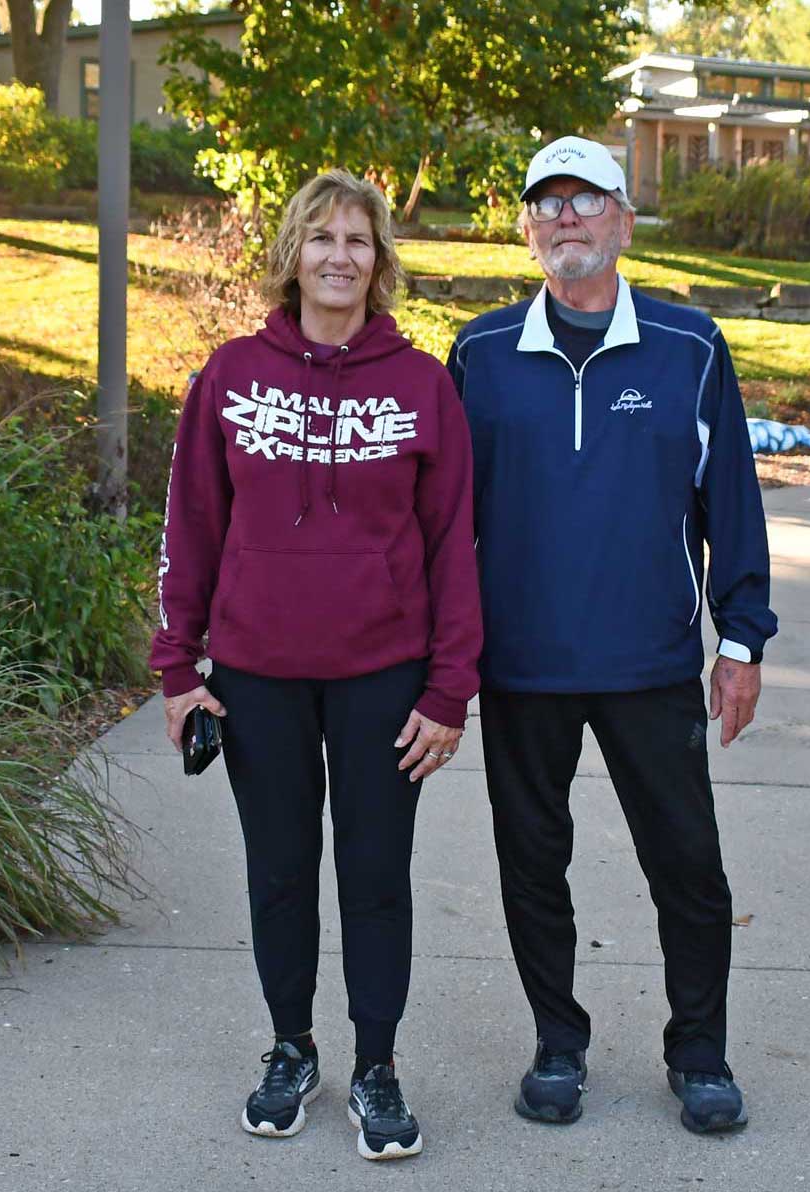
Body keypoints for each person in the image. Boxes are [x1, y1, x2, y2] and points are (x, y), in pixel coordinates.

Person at [445, 136, 775, 1135]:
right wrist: (441, 656)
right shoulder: (479, 355)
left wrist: (741, 639)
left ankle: (699, 1051)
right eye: (546, 204)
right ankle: (557, 1042)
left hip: (650, 660)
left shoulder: (689, 347)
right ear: (526, 230)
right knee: (530, 861)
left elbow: (731, 502)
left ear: (623, 221)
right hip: (521, 666)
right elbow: (439, 518)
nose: (565, 219)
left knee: (686, 862)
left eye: (585, 201)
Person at [150, 169, 481, 1161]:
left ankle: (375, 1063)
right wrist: (177, 668)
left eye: (359, 240)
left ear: (380, 262)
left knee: (376, 874)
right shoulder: (229, 377)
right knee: (281, 871)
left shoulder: (421, 385)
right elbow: (191, 528)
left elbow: (453, 545)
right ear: (291, 252)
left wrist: (448, 689)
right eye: (322, 237)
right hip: (256, 671)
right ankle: (291, 1047)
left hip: (384, 673)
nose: (340, 256)